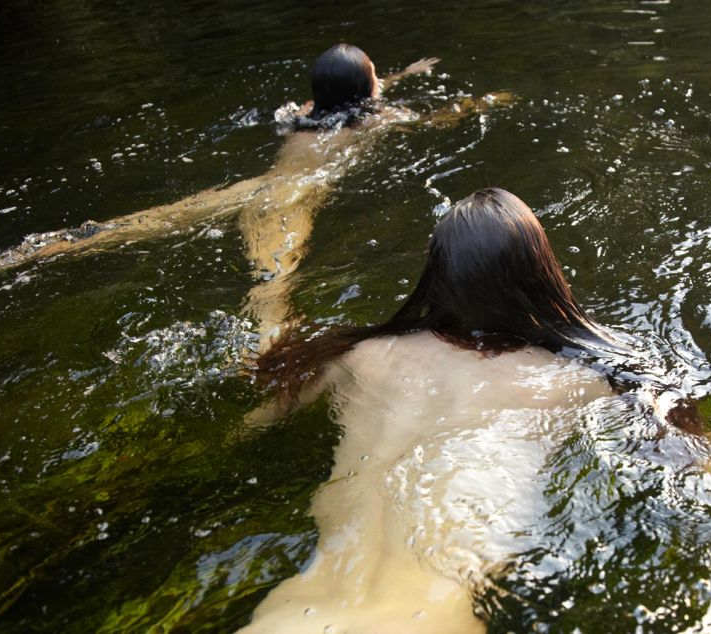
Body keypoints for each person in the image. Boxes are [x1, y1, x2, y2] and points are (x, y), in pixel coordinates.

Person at [0, 45, 511, 355]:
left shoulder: (306, 111)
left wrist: (404, 71)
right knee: (276, 273)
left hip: (253, 184)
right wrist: (485, 101)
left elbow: (357, 90)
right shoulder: (371, 121)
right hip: (287, 196)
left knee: (116, 229)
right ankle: (268, 342)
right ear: (369, 95)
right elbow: (420, 115)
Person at [239, 188, 620, 632]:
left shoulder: (359, 356)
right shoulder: (570, 383)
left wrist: (272, 295)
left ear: (435, 277)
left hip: (294, 613)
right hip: (429, 618)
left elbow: (258, 420)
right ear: (540, 275)